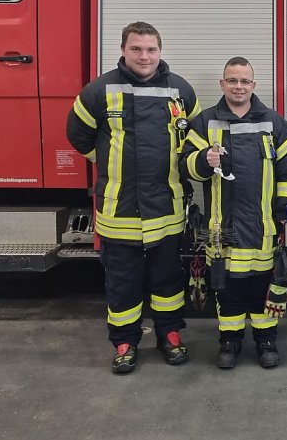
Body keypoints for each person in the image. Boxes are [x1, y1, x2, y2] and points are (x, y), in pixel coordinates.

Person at [66, 21, 200, 374]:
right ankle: (124, 343)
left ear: (160, 51)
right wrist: (111, 165)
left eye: (151, 49)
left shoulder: (181, 91)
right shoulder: (99, 90)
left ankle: (170, 335)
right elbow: (78, 136)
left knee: (168, 280)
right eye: (137, 49)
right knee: (122, 280)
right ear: (124, 50)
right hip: (119, 208)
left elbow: (195, 142)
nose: (144, 56)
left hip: (166, 209)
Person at [180, 57, 287, 370]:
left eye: (244, 81)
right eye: (232, 81)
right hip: (221, 230)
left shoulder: (274, 123)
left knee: (264, 287)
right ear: (222, 84)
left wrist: (281, 208)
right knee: (226, 288)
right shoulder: (205, 122)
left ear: (253, 85)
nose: (239, 87)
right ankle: (230, 341)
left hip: (263, 227)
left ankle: (266, 340)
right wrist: (203, 161)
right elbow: (185, 165)